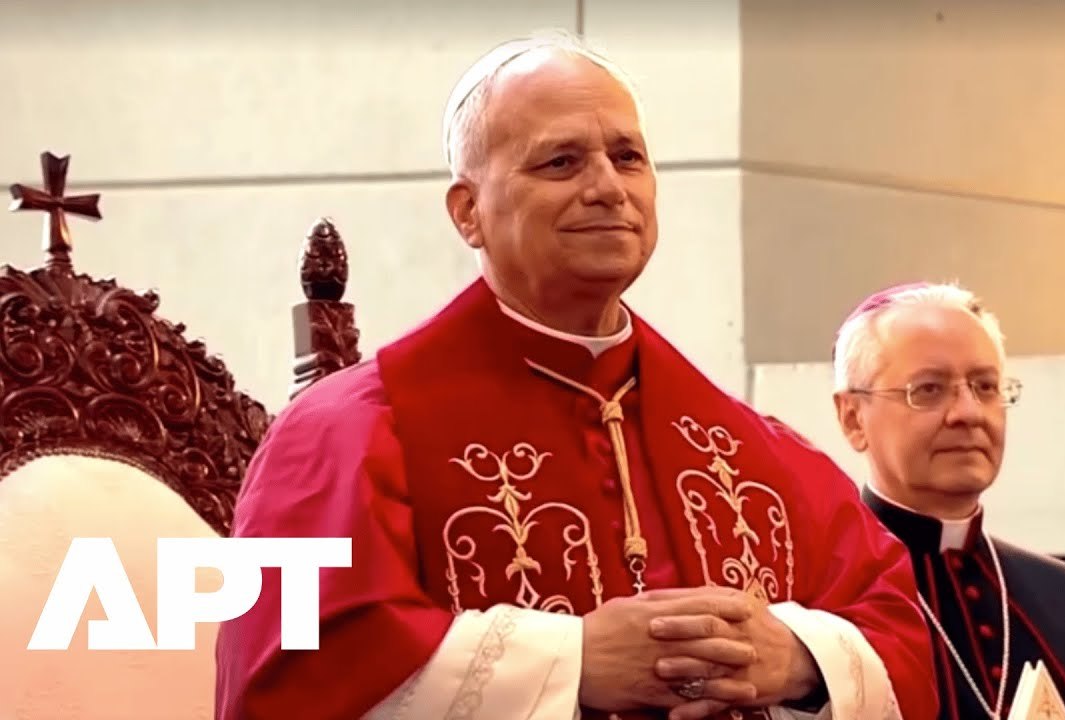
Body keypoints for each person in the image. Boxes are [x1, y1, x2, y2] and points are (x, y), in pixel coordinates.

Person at [215, 33, 939, 720]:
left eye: (627, 158)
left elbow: (898, 631)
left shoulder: (757, 448)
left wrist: (799, 660)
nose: (606, 188)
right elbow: (287, 666)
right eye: (560, 162)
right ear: (468, 212)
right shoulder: (347, 434)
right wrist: (571, 660)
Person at [830, 281, 1065, 720]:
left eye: (985, 386)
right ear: (853, 418)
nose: (967, 413)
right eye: (928, 389)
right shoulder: (823, 602)